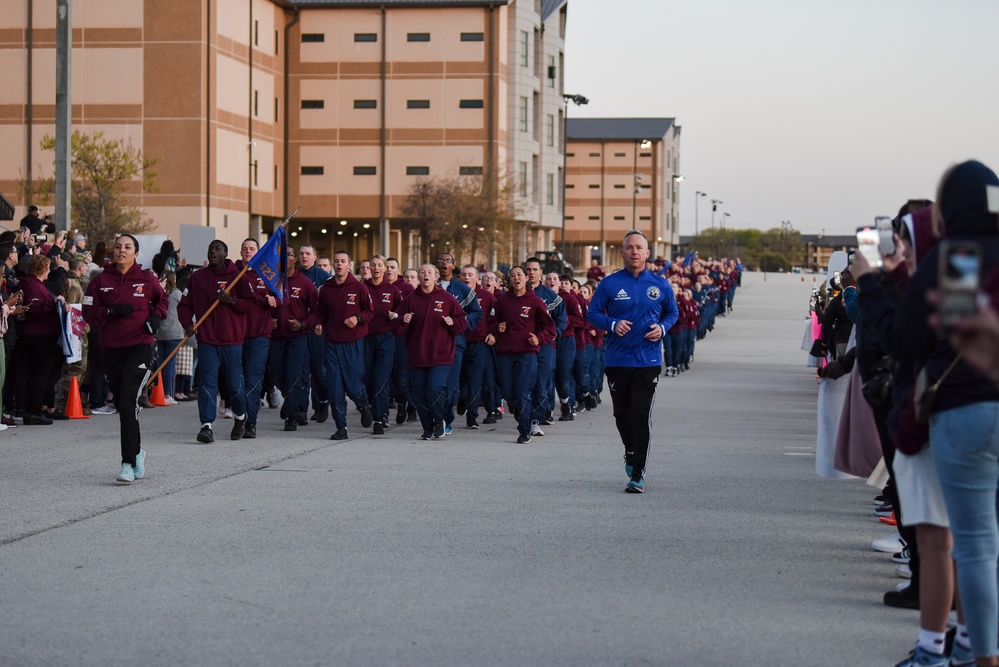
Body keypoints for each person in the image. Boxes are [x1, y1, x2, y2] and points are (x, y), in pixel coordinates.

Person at [892, 161, 999, 666]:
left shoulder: (962, 256)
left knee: (974, 545)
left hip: (965, 404)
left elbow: (925, 335)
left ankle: (974, 652)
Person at [587, 230, 678, 493]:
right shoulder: (609, 283)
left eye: (640, 247)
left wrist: (662, 328)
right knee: (621, 415)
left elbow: (672, 312)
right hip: (617, 360)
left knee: (640, 414)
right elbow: (592, 313)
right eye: (630, 247)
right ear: (622, 252)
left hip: (648, 361)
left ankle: (638, 473)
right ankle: (629, 450)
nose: (635, 252)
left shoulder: (660, 284)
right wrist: (612, 324)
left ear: (648, 253)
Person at [82, 234, 167, 483]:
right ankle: (138, 451)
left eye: (127, 247)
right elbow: (88, 311)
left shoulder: (147, 278)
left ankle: (127, 463)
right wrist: (110, 311)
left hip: (140, 347)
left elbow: (161, 301)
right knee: (121, 403)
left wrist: (155, 318)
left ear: (136, 253)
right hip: (111, 349)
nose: (122, 251)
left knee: (129, 401)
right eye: (118, 247)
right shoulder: (100, 281)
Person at [178, 240, 254, 443]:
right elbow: (185, 305)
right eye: (210, 248)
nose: (213, 251)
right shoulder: (197, 278)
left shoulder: (237, 277)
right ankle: (206, 426)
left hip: (232, 341)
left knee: (234, 384)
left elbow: (251, 305)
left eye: (217, 249)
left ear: (225, 254)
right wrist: (187, 323)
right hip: (207, 341)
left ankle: (240, 417)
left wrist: (233, 300)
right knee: (207, 384)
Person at [396, 263, 467, 439]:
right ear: (419, 277)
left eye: (430, 272)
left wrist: (453, 323)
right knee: (419, 393)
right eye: (422, 272)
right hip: (417, 355)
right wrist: (403, 321)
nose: (425, 275)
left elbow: (462, 323)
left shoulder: (447, 299)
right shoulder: (410, 300)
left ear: (436, 277)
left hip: (441, 355)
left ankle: (439, 419)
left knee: (434, 389)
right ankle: (427, 427)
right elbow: (396, 329)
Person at [489, 265, 556, 443]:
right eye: (512, 276)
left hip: (527, 353)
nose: (516, 278)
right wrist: (497, 328)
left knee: (523, 392)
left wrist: (539, 339)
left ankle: (524, 431)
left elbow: (550, 327)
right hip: (505, 353)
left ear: (526, 279)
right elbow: (491, 321)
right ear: (509, 280)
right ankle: (519, 407)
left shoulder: (535, 302)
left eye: (519, 275)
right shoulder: (502, 301)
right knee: (507, 391)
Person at [314, 250, 373, 440]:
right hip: (331, 343)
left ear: (350, 265)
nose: (339, 264)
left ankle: (363, 406)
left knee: (354, 386)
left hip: (353, 343)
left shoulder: (359, 287)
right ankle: (341, 428)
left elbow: (369, 312)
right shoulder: (327, 288)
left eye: (343, 261)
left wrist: (357, 318)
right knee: (335, 387)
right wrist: (318, 324)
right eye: (336, 261)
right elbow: (320, 312)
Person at [16, 254, 69, 425]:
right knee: (40, 375)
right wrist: (53, 302)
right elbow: (35, 307)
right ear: (42, 269)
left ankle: (33, 410)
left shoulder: (30, 284)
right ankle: (34, 411)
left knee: (34, 375)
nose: (49, 271)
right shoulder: (35, 286)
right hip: (41, 335)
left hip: (33, 334)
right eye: (47, 267)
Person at [269, 246, 318, 431]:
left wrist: (303, 324)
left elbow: (315, 312)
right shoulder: (271, 280)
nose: (285, 258)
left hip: (298, 337)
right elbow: (261, 306)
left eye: (289, 255)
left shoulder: (305, 284)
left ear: (294, 259)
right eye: (281, 255)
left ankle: (291, 416)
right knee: (280, 376)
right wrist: (268, 320)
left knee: (293, 375)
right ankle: (291, 403)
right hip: (275, 337)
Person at [435, 252, 482, 434]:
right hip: (431, 344)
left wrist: (460, 324)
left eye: (448, 261)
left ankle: (446, 419)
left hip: (455, 343)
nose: (444, 263)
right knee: (432, 385)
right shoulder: (431, 287)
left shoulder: (463, 290)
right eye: (441, 260)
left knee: (450, 385)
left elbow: (476, 313)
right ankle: (435, 415)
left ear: (453, 266)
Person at [236, 237, 276, 439]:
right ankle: (238, 415)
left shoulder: (267, 273)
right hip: (235, 335)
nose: (248, 251)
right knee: (235, 379)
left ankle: (250, 422)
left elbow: (281, 296)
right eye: (244, 248)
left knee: (253, 379)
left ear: (258, 252)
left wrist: (274, 300)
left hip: (260, 334)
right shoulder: (234, 273)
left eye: (252, 249)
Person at [363, 254, 402, 435]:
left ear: (385, 268)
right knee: (368, 379)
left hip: (386, 338)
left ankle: (380, 418)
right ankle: (371, 407)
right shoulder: (362, 288)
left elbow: (401, 312)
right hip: (365, 338)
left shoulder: (392, 290)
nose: (376, 268)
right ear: (369, 269)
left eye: (379, 265)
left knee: (381, 378)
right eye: (373, 265)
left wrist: (394, 315)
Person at [299, 245, 331, 423]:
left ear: (315, 257)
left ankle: (323, 402)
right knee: (302, 372)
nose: (304, 256)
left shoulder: (323, 277)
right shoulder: (294, 275)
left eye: (308, 254)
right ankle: (301, 409)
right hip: (300, 330)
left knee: (319, 371)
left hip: (318, 330)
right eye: (302, 253)